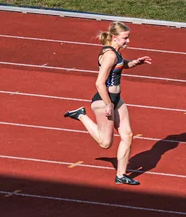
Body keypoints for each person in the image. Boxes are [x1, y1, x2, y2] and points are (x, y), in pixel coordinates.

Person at [63, 22, 152, 185]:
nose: (128, 41)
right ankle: (81, 115)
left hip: (116, 100)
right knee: (105, 143)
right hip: (104, 101)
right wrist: (108, 104)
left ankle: (121, 175)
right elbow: (99, 83)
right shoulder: (110, 55)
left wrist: (136, 62)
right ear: (114, 37)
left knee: (128, 135)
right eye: (125, 38)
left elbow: (121, 64)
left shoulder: (116, 54)